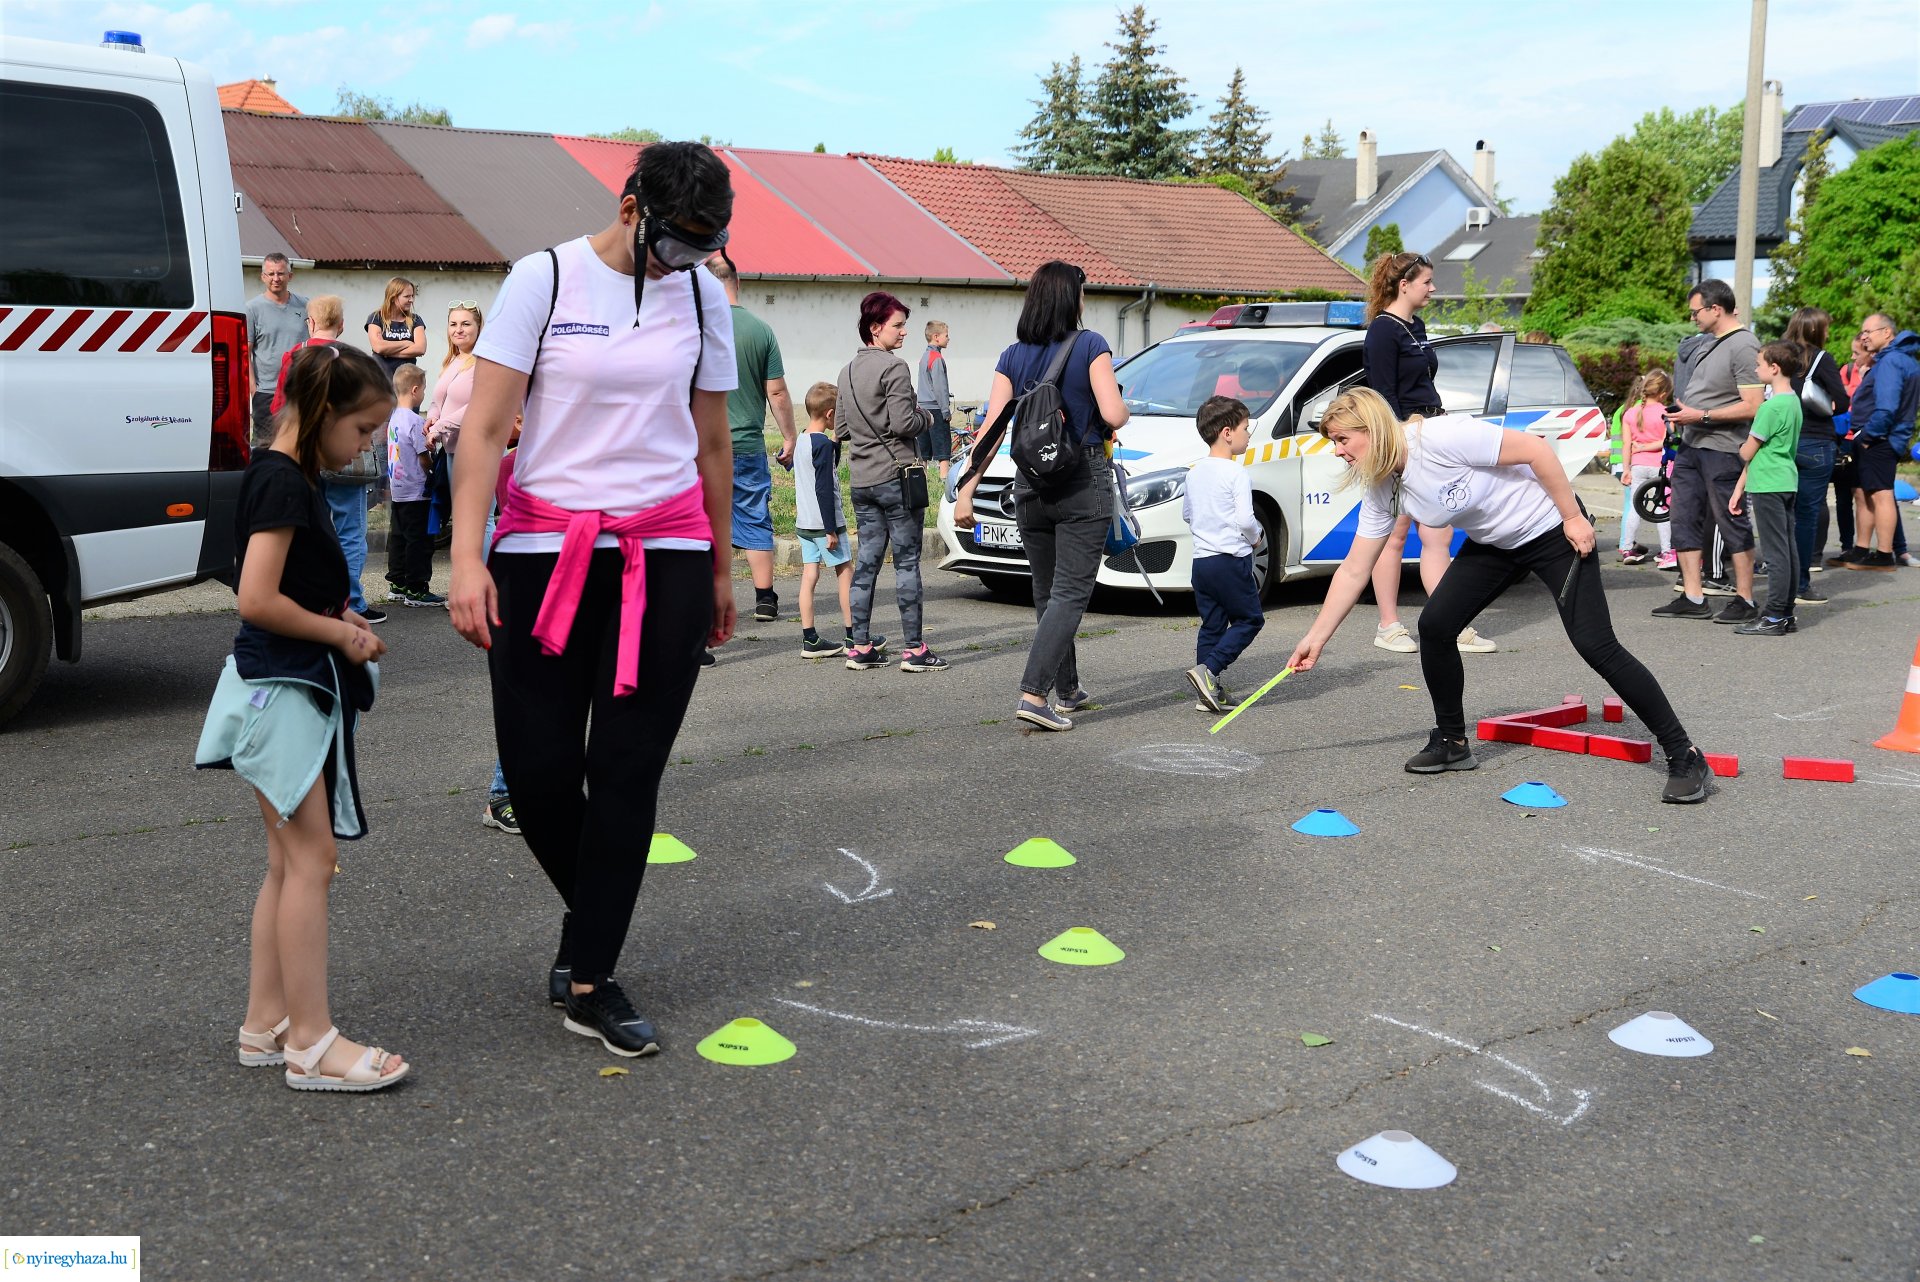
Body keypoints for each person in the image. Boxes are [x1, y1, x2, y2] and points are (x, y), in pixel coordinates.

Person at [446, 141, 737, 1059]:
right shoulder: (544, 280)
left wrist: (725, 569)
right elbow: (486, 429)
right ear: (628, 204)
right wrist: (465, 560)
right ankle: (595, 925)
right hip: (543, 552)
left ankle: (590, 974)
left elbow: (715, 446)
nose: (683, 261)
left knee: (625, 773)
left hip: (668, 554)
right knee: (534, 778)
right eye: (674, 241)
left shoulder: (703, 296)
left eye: (704, 246)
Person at [1285, 388, 1711, 804]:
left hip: (1551, 529)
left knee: (1594, 643)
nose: (1338, 451)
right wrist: (1317, 638)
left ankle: (1684, 753)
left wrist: (1572, 516)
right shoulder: (1383, 486)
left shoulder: (1439, 438)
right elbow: (1355, 569)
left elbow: (1537, 451)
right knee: (1435, 626)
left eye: (1342, 439)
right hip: (1494, 545)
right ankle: (1451, 740)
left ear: (1372, 429)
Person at [195, 341, 409, 1091]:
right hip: (285, 691)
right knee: (312, 863)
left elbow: (286, 587)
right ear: (323, 413)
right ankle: (312, 1044)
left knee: (289, 864)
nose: (366, 446)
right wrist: (342, 632)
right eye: (360, 431)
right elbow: (256, 597)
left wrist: (338, 613)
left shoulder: (280, 472)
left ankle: (266, 1026)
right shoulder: (284, 485)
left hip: (274, 685)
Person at [956, 261, 1127, 729]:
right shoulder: (1091, 345)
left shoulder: (1012, 356)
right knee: (1071, 592)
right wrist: (1119, 403)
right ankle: (1034, 695)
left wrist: (966, 491)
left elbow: (990, 429)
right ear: (1071, 299)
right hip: (1081, 480)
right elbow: (1113, 413)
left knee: (1048, 592)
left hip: (1029, 484)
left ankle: (1067, 689)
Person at [1360, 251, 1496, 657]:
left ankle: (1450, 623)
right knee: (1395, 534)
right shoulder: (1382, 331)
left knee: (1439, 532)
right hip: (1400, 440)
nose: (1433, 289)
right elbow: (1382, 394)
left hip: (1430, 432)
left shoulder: (1415, 325)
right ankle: (1389, 625)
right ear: (1404, 285)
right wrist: (1398, 443)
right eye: (1426, 282)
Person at [836, 291, 944, 674]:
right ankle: (914, 650)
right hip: (897, 479)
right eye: (897, 325)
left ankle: (860, 646)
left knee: (866, 564)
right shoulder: (895, 368)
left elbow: (844, 429)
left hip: (862, 482)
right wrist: (927, 419)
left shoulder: (846, 371)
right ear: (875, 327)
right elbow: (903, 424)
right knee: (906, 563)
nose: (904, 332)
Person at [1654, 280, 1763, 623]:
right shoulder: (1710, 344)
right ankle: (1693, 596)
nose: (1693, 319)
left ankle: (1745, 600)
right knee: (1682, 518)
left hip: (1724, 451)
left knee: (1732, 522)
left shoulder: (1744, 345)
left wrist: (1699, 415)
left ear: (1716, 308)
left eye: (1695, 312)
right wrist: (1682, 415)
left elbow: (1754, 406)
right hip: (1691, 445)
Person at [271, 297, 385, 624]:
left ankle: (313, 598)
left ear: (309, 322)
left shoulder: (293, 356)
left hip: (306, 454)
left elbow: (280, 407)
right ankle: (352, 602)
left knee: (311, 527)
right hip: (344, 460)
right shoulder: (354, 359)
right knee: (350, 531)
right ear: (343, 324)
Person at [704, 252, 794, 623]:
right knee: (755, 515)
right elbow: (777, 392)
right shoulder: (761, 330)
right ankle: (765, 599)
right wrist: (789, 436)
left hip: (700, 448)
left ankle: (704, 599)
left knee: (703, 524)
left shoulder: (696, 326)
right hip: (747, 445)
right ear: (737, 283)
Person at [1182, 396, 1264, 714]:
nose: (1248, 434)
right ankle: (1210, 670)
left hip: (1201, 562)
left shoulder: (1195, 472)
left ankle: (1207, 690)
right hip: (1230, 559)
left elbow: (1188, 514)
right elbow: (1245, 519)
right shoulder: (1236, 473)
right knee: (1249, 619)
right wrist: (1255, 537)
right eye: (1246, 427)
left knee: (1213, 624)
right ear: (1227, 432)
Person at [1728, 343, 1805, 635]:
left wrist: (1740, 448)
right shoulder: (1793, 401)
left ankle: (1773, 616)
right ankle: (1785, 614)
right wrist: (1738, 490)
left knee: (1775, 554)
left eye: (1759, 364)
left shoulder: (1770, 407)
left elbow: (1748, 453)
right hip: (1785, 480)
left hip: (1768, 484)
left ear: (1774, 368)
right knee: (1788, 549)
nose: (1756, 369)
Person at [1835, 313, 1917, 571]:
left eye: (1868, 331)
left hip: (1880, 439)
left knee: (1881, 495)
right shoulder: (1895, 359)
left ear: (1887, 333)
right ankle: (1861, 550)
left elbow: (1887, 408)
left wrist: (1868, 437)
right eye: (1862, 332)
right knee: (1864, 493)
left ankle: (1883, 554)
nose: (1864, 336)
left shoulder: (1892, 362)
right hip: (1877, 437)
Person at [1780, 308, 1848, 604]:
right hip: (1815, 443)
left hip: (1783, 440)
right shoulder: (1821, 358)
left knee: (1782, 513)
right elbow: (1843, 402)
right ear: (1815, 330)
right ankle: (1801, 585)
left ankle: (1779, 577)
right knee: (1807, 515)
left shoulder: (1779, 356)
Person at [794, 381, 855, 657]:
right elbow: (824, 488)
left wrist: (836, 444)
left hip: (804, 524)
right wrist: (831, 529)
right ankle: (854, 636)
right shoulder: (822, 445)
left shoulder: (803, 439)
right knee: (846, 573)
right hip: (824, 525)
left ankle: (810, 639)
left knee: (810, 575)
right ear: (830, 415)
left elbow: (823, 468)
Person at [383, 365, 438, 607]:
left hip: (398, 489)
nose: (424, 394)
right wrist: (432, 470)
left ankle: (397, 582)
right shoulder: (416, 422)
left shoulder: (393, 419)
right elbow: (422, 455)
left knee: (399, 536)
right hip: (416, 490)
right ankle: (417, 588)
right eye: (424, 389)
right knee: (420, 540)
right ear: (415, 390)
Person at [246, 253, 308, 449]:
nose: (276, 278)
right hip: (266, 392)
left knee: (299, 445)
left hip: (299, 390)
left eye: (281, 273)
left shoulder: (306, 305)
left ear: (290, 276)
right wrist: (253, 388)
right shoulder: (252, 309)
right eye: (270, 273)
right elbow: (245, 353)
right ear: (262, 276)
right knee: (264, 448)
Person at [1618, 371, 1673, 566]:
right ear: (1663, 393)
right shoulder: (1667, 412)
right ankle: (1667, 551)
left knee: (1634, 506)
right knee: (1663, 507)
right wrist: (1648, 447)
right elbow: (1666, 442)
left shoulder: (1630, 413)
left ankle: (1627, 548)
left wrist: (1626, 468)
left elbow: (1626, 444)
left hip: (1638, 465)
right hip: (1661, 466)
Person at [365, 277, 426, 378]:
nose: (411, 300)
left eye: (412, 296)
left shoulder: (416, 320)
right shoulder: (376, 318)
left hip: (407, 380)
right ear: (393, 298)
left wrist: (387, 352)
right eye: (407, 296)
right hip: (381, 379)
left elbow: (420, 349)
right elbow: (379, 347)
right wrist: (406, 343)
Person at [917, 321, 953, 480]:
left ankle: (921, 476)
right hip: (936, 408)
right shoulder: (936, 358)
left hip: (922, 407)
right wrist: (946, 410)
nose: (948, 339)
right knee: (942, 443)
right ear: (936, 337)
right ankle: (944, 476)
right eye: (946, 335)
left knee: (923, 445)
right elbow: (940, 388)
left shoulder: (924, 357)